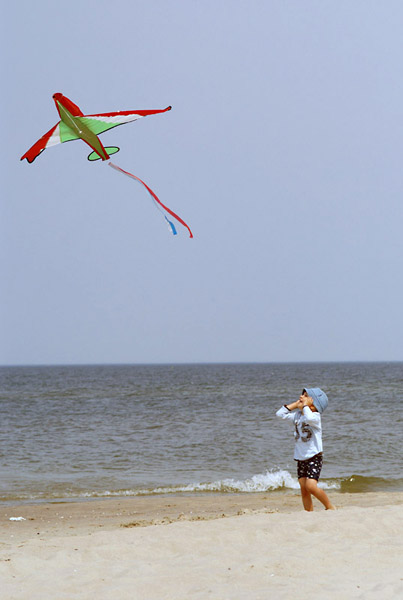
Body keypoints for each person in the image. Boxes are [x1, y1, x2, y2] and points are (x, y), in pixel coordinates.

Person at [276, 388, 335, 511]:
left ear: (314, 405)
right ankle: (309, 512)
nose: (301, 397)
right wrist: (296, 404)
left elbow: (309, 418)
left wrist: (306, 406)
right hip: (301, 457)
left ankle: (329, 507)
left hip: (314, 456)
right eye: (302, 395)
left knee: (311, 486)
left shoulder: (315, 417)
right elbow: (280, 414)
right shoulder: (297, 416)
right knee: (303, 488)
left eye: (306, 396)